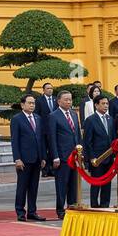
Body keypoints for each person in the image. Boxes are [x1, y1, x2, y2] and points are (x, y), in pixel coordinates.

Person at [44, 89, 81, 218]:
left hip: (75, 155)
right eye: (66, 99)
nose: (69, 102)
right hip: (62, 156)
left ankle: (72, 206)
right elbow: (52, 138)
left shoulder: (74, 114)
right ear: (58, 101)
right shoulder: (53, 116)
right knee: (62, 185)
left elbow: (77, 134)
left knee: (73, 184)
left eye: (70, 99)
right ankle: (60, 210)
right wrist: (55, 156)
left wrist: (80, 152)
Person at [11, 94, 48, 221]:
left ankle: (32, 211)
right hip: (24, 159)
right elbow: (14, 140)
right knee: (22, 187)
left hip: (37, 158)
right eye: (29, 103)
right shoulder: (17, 119)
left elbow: (41, 138)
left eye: (33, 103)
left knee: (34, 187)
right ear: (22, 105)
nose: (32, 105)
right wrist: (17, 159)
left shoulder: (38, 118)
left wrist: (43, 157)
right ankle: (20, 212)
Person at [83, 94, 116, 208]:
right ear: (96, 105)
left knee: (107, 182)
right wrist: (91, 157)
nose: (106, 106)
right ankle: (94, 204)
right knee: (96, 183)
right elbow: (87, 141)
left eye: (107, 103)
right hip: (97, 157)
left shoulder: (110, 119)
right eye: (103, 103)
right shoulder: (90, 120)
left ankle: (105, 204)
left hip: (110, 157)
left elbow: (113, 138)